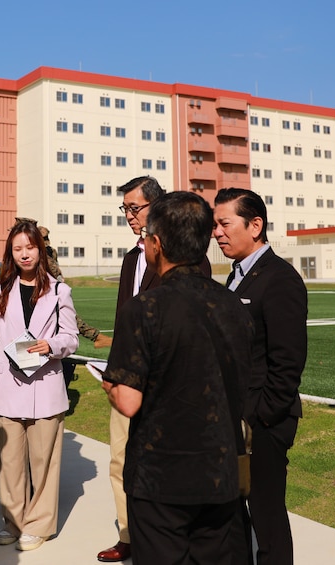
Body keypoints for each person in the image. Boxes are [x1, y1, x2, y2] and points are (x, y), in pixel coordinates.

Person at [104, 191, 254, 564]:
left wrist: (109, 383)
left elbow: (128, 400)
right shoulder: (233, 304)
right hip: (221, 471)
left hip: (160, 477)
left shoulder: (144, 308)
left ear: (155, 244)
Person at [101, 174, 214, 564]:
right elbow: (125, 319)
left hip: (169, 382)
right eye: (126, 209)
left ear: (158, 206)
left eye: (136, 208)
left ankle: (166, 537)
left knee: (165, 461)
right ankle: (128, 533)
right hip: (128, 379)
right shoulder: (132, 257)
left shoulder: (191, 258)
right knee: (120, 460)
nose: (130, 216)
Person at [213, 187, 307, 564]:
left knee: (266, 513)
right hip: (235, 417)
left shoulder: (279, 279)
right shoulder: (236, 275)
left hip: (264, 420)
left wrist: (262, 415)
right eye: (214, 225)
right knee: (234, 509)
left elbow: (288, 361)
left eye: (224, 224)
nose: (217, 233)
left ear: (255, 226)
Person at [0, 218, 79, 552]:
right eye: (17, 249)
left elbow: (71, 338)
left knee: (44, 463)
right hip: (7, 388)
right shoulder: (1, 293)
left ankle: (39, 524)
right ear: (10, 253)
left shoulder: (59, 291)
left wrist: (52, 345)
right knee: (10, 463)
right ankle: (13, 520)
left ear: (40, 250)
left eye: (30, 247)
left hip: (46, 388)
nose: (24, 254)